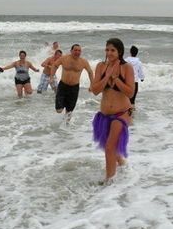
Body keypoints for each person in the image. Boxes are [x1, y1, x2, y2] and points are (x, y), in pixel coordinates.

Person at [90, 38, 135, 183]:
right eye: (107, 49)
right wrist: (107, 75)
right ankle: (123, 165)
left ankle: (109, 181)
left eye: (113, 50)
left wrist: (116, 78)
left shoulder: (126, 67)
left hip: (122, 113)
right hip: (104, 115)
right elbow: (95, 90)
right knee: (109, 147)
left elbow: (130, 93)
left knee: (109, 147)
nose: (109, 53)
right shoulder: (100, 66)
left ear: (119, 52)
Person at [50, 44, 94, 123]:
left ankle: (66, 128)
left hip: (74, 88)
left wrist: (92, 84)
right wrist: (51, 77)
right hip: (63, 86)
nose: (77, 52)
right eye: (75, 50)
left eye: (79, 50)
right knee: (59, 110)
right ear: (71, 51)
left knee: (69, 111)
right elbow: (55, 65)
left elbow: (90, 72)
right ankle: (61, 107)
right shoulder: (64, 58)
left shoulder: (83, 62)